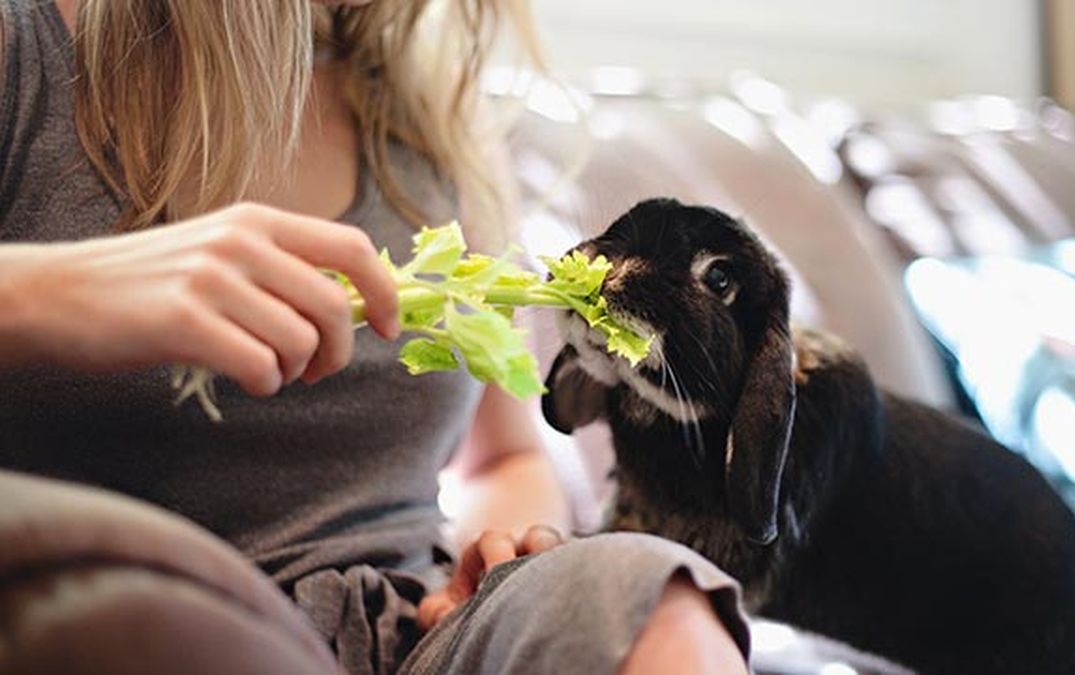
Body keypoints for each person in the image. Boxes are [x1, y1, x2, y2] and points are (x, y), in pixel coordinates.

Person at [0, 1, 749, 673]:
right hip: (131, 624)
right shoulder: (21, 48)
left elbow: (503, 454)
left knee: (656, 606)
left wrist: (502, 551)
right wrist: (53, 291)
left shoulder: (432, 120)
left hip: (413, 636)